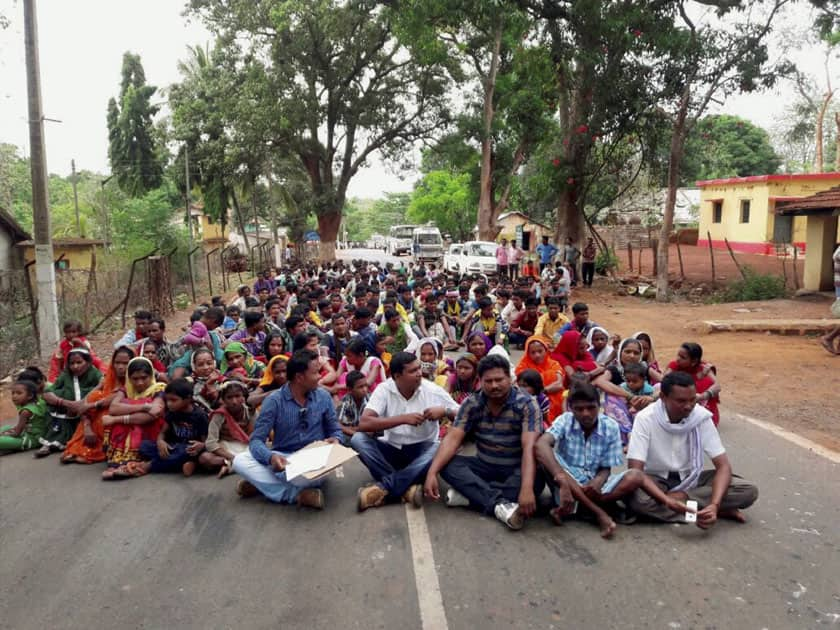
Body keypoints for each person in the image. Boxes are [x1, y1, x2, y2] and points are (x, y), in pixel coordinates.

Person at [424, 354, 544, 530]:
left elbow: (529, 448)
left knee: (537, 481)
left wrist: (526, 488)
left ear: (510, 379)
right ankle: (499, 505)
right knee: (448, 465)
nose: (494, 385)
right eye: (488, 381)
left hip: (517, 468)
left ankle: (470, 496)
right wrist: (431, 473)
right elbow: (452, 438)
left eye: (499, 380)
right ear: (480, 381)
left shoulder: (526, 404)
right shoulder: (472, 403)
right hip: (485, 465)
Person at [626, 372, 758, 527]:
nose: (688, 406)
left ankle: (693, 508)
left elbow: (723, 466)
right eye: (681, 401)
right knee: (638, 499)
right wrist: (668, 499)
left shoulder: (700, 417)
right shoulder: (645, 418)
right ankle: (709, 511)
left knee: (748, 490)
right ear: (662, 397)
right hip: (655, 479)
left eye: (693, 399)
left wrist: (714, 504)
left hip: (691, 478)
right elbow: (636, 471)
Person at [232, 350, 343, 508]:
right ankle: (296, 495)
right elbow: (256, 441)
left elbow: (335, 430)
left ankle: (263, 485)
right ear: (299, 377)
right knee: (239, 461)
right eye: (316, 372)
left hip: (313, 458)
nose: (320, 376)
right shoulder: (274, 401)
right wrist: (271, 458)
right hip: (283, 459)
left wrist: (336, 440)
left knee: (311, 475)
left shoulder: (323, 396)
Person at [353, 351, 459, 511]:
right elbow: (364, 423)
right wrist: (402, 418)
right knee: (358, 439)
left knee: (439, 447)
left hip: (422, 454)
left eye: (418, 369)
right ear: (396, 376)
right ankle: (406, 488)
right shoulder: (384, 389)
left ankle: (386, 487)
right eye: (412, 371)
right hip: (392, 449)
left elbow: (463, 414)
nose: (419, 374)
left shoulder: (431, 390)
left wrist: (444, 411)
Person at [61, 346, 135, 464]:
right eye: (117, 363)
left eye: (125, 363)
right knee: (95, 396)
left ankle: (93, 451)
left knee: (104, 414)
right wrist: (86, 422)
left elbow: (117, 397)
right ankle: (79, 445)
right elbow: (90, 396)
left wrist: (91, 405)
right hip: (99, 408)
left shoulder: (136, 377)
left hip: (121, 411)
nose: (120, 367)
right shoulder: (109, 376)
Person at [101, 357, 166, 479]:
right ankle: (117, 462)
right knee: (126, 419)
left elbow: (151, 416)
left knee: (130, 423)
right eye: (135, 379)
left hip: (150, 431)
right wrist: (144, 406)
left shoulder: (159, 389)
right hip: (134, 423)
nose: (139, 383)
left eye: (144, 378)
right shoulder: (126, 388)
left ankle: (132, 463)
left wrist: (117, 418)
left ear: (151, 375)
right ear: (129, 378)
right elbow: (113, 408)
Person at [36, 348, 103, 457]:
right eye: (72, 363)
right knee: (61, 394)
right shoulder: (66, 374)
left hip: (87, 412)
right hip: (67, 411)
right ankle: (50, 444)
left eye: (79, 362)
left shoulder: (93, 373)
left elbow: (103, 383)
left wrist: (83, 401)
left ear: (88, 362)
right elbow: (48, 393)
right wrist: (66, 402)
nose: (75, 366)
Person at [137, 378, 209, 476]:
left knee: (182, 452)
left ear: (187, 399)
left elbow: (207, 441)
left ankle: (151, 465)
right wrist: (160, 442)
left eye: (173, 400)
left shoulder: (199, 415)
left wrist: (201, 445)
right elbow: (162, 433)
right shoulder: (172, 413)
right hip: (173, 446)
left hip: (189, 449)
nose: (169, 403)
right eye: (167, 400)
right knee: (144, 446)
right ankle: (184, 464)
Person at [200, 381, 254, 478]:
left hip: (246, 447)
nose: (234, 401)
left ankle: (229, 467)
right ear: (223, 400)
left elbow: (254, 437)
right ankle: (238, 464)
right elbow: (211, 443)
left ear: (244, 397)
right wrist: (232, 457)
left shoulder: (250, 412)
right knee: (205, 458)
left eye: (238, 396)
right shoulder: (219, 415)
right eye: (229, 397)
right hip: (226, 449)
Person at [665, 342, 721, 426]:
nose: (678, 359)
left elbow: (717, 386)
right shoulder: (675, 365)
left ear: (694, 361)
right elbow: (664, 380)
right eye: (678, 355)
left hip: (700, 404)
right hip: (682, 405)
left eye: (682, 357)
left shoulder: (704, 368)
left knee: (705, 382)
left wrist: (702, 396)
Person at [515, 336, 566, 423]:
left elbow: (559, 385)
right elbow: (521, 388)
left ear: (546, 350)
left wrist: (540, 391)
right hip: (533, 400)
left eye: (540, 351)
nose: (537, 355)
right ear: (528, 353)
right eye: (533, 352)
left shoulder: (554, 364)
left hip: (555, 399)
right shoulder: (522, 367)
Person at [0, 379, 47, 453]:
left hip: (32, 440)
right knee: (7, 427)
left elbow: (16, 433)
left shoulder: (25, 412)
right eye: (13, 393)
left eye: (19, 393)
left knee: (2, 439)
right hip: (34, 434)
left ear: (30, 396)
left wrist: (5, 434)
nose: (14, 396)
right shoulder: (36, 404)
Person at [335, 370, 370, 446]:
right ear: (350, 390)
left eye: (365, 385)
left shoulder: (370, 399)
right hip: (351, 435)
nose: (365, 389)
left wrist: (355, 429)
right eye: (360, 387)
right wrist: (355, 433)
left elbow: (373, 426)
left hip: (367, 433)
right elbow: (338, 424)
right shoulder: (345, 402)